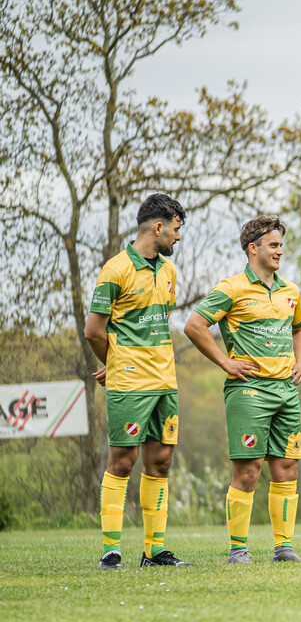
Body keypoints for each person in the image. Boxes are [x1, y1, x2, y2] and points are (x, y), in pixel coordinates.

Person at [184, 216, 301, 563]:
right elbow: (194, 325)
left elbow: (300, 328)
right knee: (249, 470)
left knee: (287, 467)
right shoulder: (232, 287)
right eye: (273, 245)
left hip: (286, 391)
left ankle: (284, 548)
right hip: (249, 391)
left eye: (281, 245)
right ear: (253, 248)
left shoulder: (290, 291)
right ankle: (238, 549)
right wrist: (226, 362)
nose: (279, 251)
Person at [84, 193, 193, 569]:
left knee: (160, 462)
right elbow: (94, 331)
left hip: (165, 382)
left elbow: (156, 324)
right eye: (176, 229)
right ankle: (110, 551)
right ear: (158, 227)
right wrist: (117, 363)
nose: (178, 236)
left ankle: (154, 551)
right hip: (129, 384)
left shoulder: (169, 271)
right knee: (122, 460)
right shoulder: (115, 270)